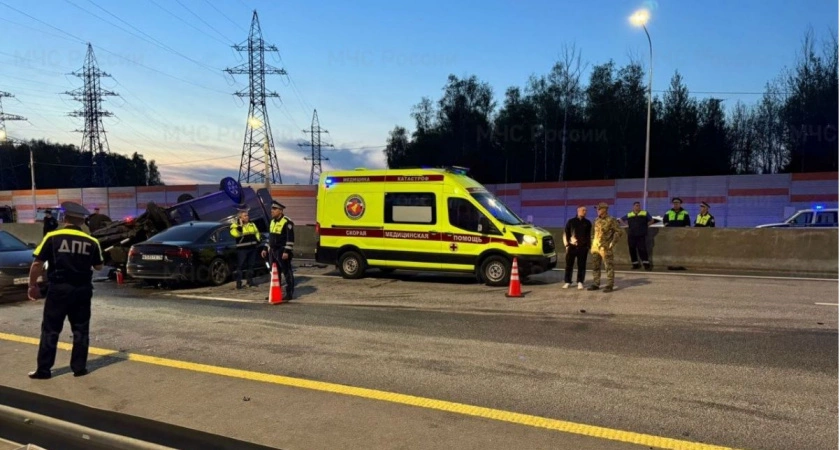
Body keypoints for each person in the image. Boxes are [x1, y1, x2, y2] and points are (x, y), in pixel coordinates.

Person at [26, 201, 103, 379]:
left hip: (59, 290)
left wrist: (32, 285)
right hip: (82, 290)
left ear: (65, 218)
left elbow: (37, 263)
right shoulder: (92, 241)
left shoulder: (53, 237)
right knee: (81, 329)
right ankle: (79, 368)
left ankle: (44, 370)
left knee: (50, 329)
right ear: (82, 221)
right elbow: (99, 266)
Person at [261, 201, 295, 299]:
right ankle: (276, 292)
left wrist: (286, 251)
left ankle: (289, 293)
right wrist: (265, 248)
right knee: (275, 273)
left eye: (274, 209)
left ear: (280, 211)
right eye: (272, 209)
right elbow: (270, 237)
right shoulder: (272, 221)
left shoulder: (287, 222)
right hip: (272, 251)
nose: (272, 211)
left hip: (282, 250)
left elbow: (290, 239)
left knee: (287, 272)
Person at [588, 202, 622, 293]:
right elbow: (592, 233)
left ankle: (609, 285)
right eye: (597, 209)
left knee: (609, 266)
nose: (597, 210)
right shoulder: (596, 220)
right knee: (595, 266)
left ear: (604, 209)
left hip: (606, 247)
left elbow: (619, 232)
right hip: (596, 247)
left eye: (599, 209)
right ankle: (596, 283)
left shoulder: (611, 220)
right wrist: (592, 243)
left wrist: (612, 243)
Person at [229, 208, 262, 290]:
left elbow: (257, 232)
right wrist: (240, 225)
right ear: (240, 218)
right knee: (240, 266)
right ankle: (239, 283)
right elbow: (235, 234)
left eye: (247, 215)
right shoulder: (235, 226)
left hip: (252, 248)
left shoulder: (252, 224)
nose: (247, 217)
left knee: (251, 265)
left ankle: (250, 281)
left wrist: (258, 240)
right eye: (245, 216)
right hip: (242, 249)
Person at [561, 205, 591, 290]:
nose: (585, 212)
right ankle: (567, 281)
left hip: (583, 247)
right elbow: (566, 233)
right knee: (569, 264)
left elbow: (588, 235)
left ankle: (580, 281)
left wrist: (588, 246)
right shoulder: (571, 221)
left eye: (586, 210)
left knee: (582, 265)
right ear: (578, 211)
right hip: (572, 247)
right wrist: (567, 245)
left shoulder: (587, 223)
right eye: (583, 210)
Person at [620, 201, 654, 270]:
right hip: (631, 234)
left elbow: (652, 220)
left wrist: (646, 225)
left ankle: (646, 265)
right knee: (632, 249)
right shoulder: (630, 214)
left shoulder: (644, 213)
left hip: (641, 235)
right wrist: (626, 225)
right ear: (633, 207)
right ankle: (635, 264)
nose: (638, 207)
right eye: (636, 205)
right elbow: (621, 219)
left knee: (642, 249)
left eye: (638, 205)